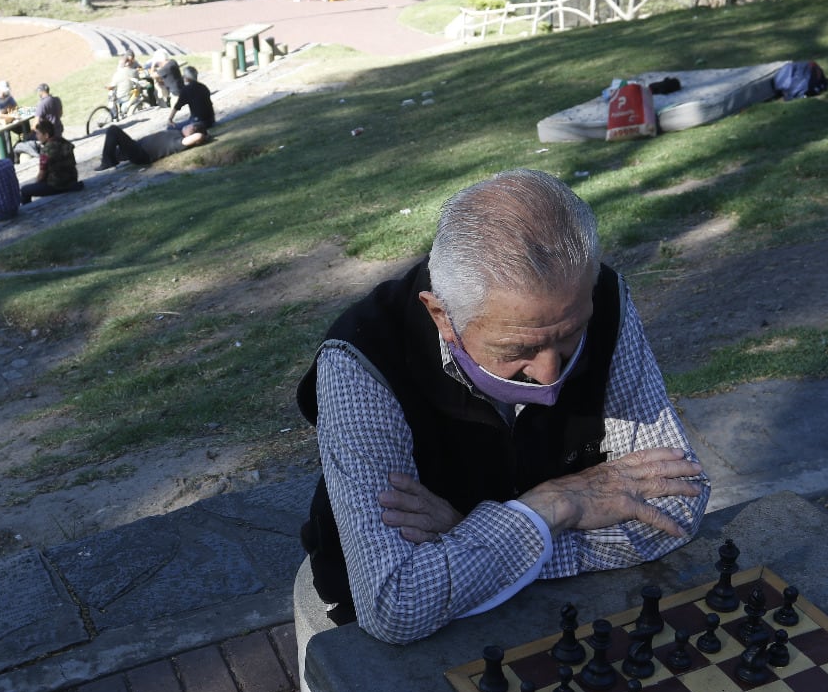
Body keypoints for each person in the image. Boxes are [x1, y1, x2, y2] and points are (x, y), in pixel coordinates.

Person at [296, 169, 709, 645]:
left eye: (570, 338)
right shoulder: (360, 360)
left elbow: (677, 508)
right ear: (441, 317)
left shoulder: (596, 299)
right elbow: (396, 603)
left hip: (565, 607)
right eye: (518, 350)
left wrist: (471, 536)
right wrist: (556, 504)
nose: (551, 373)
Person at [95, 123, 209, 171]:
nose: (188, 125)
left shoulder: (179, 142)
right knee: (113, 147)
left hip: (140, 154)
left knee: (113, 130)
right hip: (137, 145)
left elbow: (197, 137)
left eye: (192, 126)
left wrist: (202, 135)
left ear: (192, 132)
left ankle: (108, 162)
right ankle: (112, 158)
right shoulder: (177, 132)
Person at [20, 121, 80, 203]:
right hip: (72, 179)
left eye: (38, 134)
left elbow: (42, 174)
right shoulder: (64, 142)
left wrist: (37, 184)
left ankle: (27, 211)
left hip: (57, 185)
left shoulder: (46, 150)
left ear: (46, 135)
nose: (36, 136)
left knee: (25, 190)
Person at [12, 83, 64, 163]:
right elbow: (60, 114)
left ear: (41, 92)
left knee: (23, 142)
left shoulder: (42, 104)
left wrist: (29, 134)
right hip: (58, 130)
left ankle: (32, 155)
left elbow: (35, 124)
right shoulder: (57, 99)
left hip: (47, 135)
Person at [166, 65, 215, 131]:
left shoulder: (186, 89)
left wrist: (170, 119)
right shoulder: (203, 87)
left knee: (170, 128)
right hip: (211, 120)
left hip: (198, 121)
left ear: (186, 78)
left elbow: (177, 106)